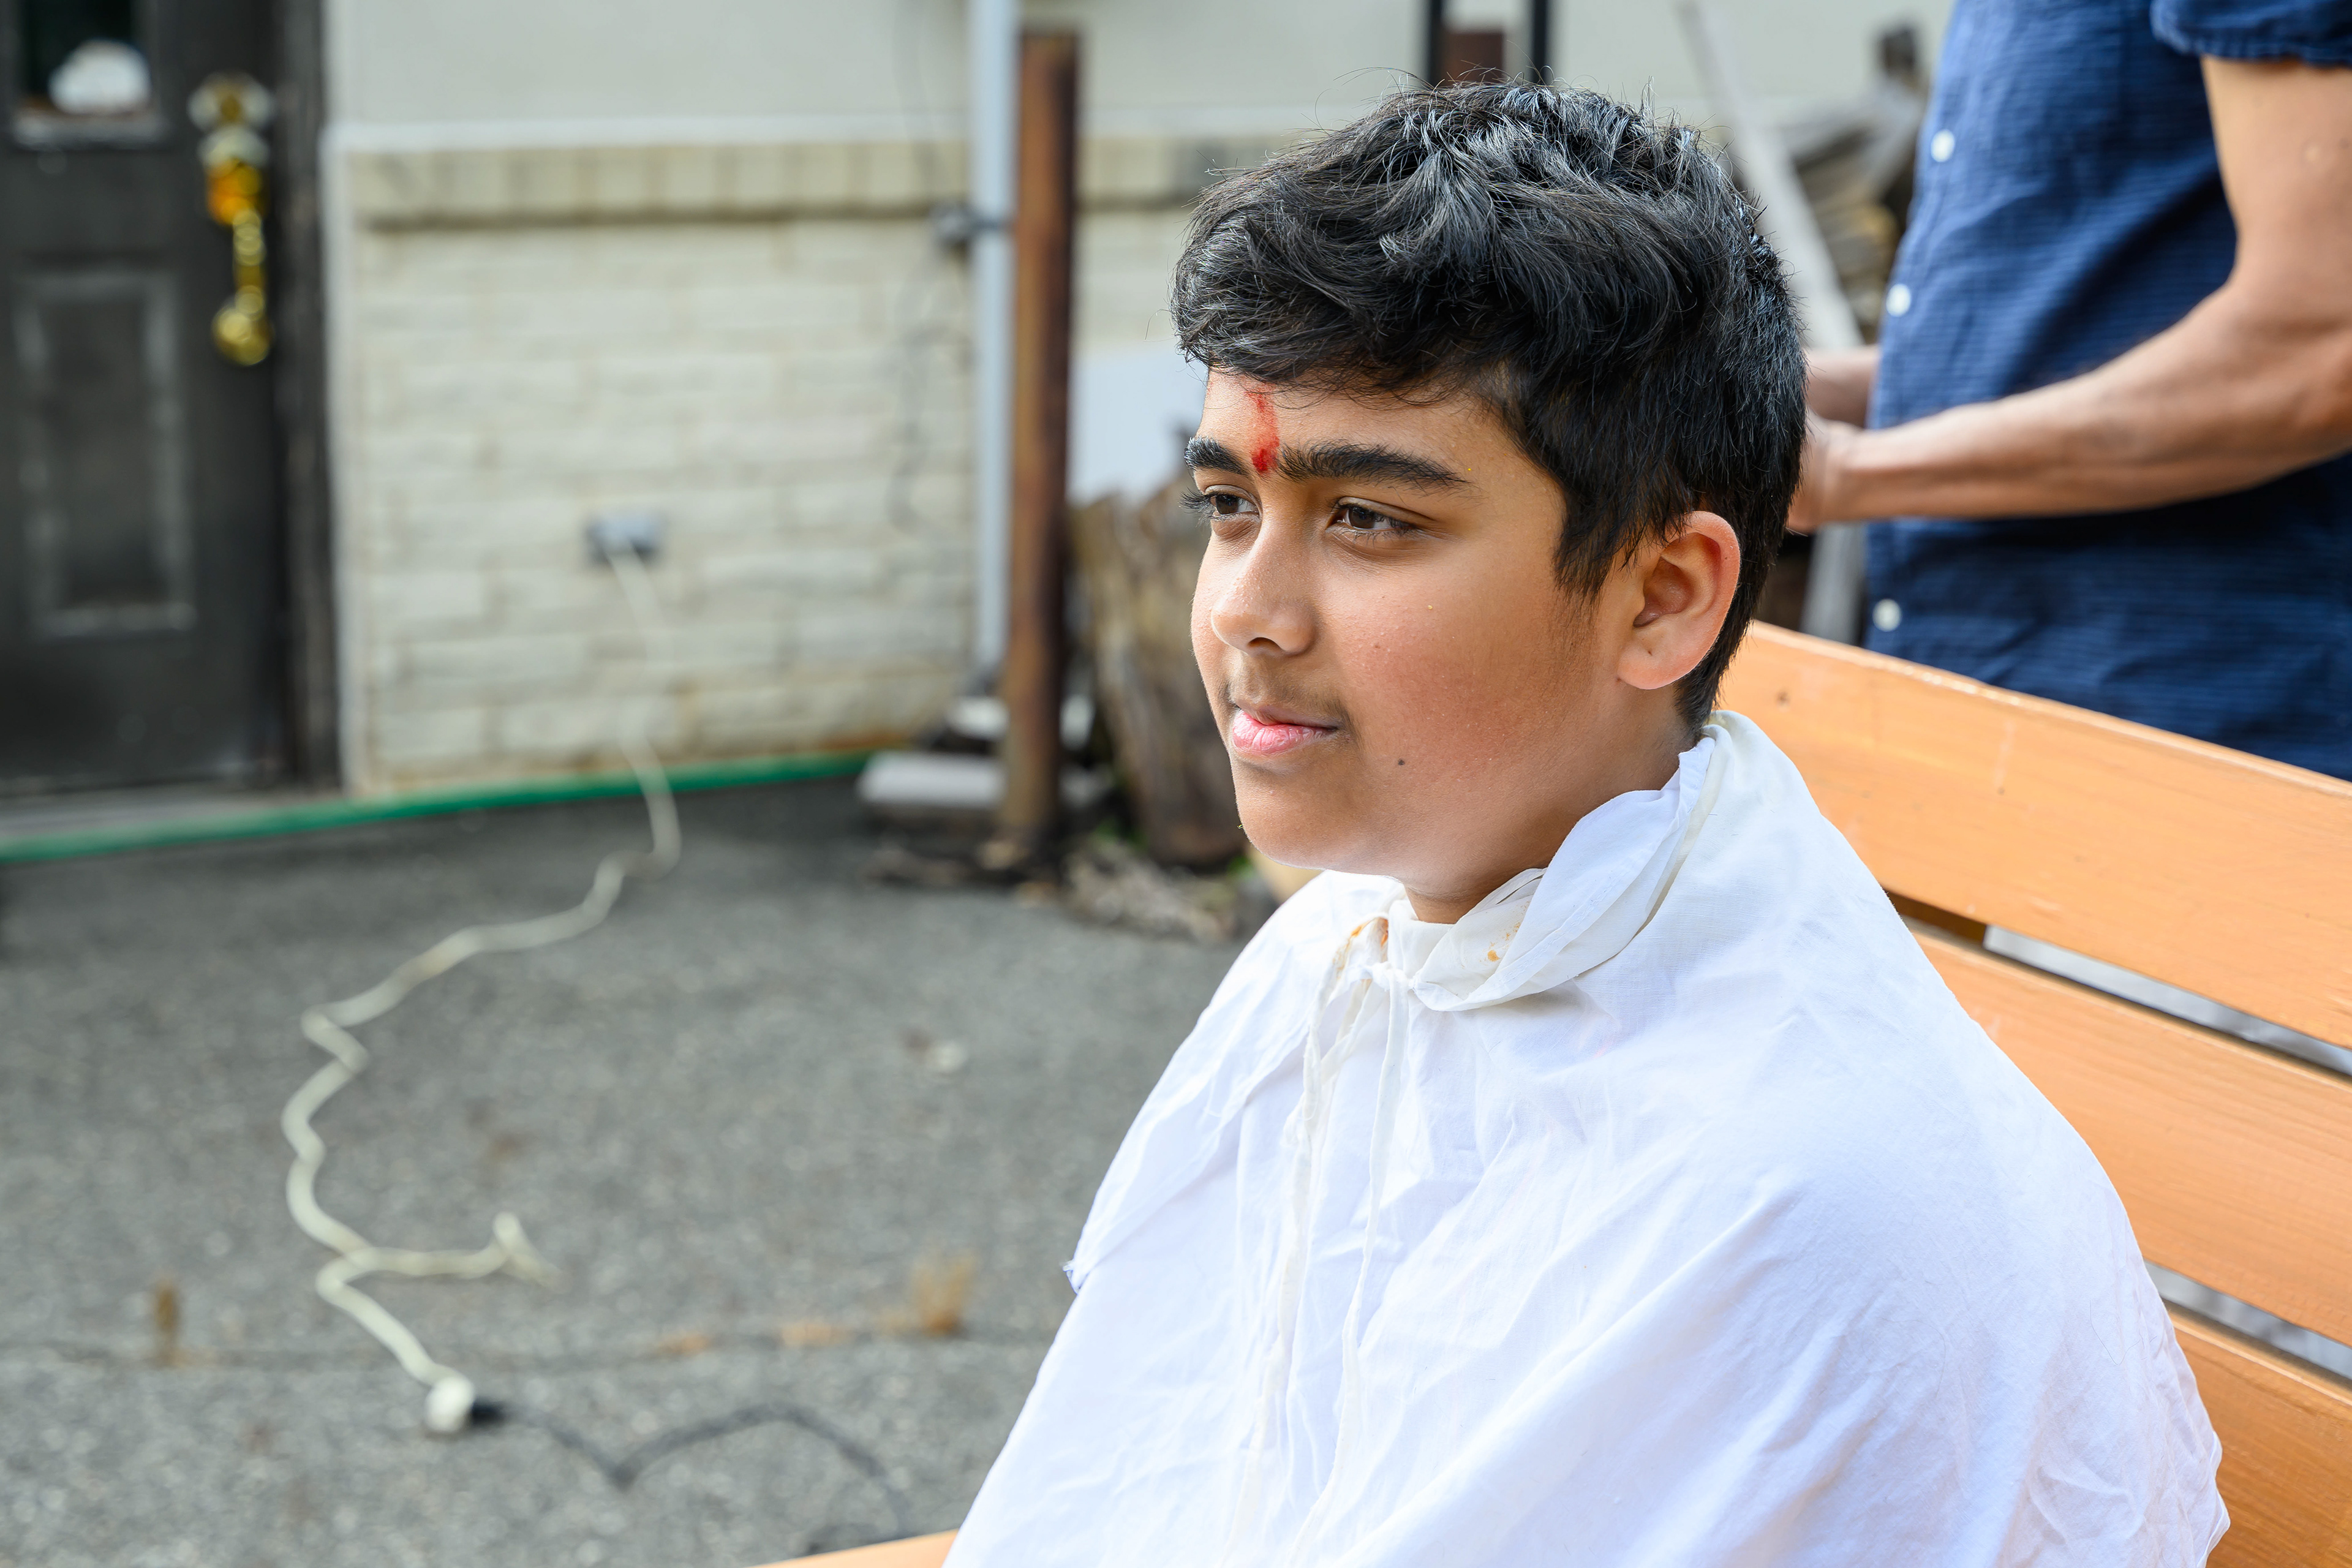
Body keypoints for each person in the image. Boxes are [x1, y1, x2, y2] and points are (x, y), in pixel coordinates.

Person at [946, 86, 2224, 1566]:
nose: (1244, 609)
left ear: (1662, 596)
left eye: (1369, 518)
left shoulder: (1792, 1198)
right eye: (1227, 506)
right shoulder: (1364, 938)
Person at [1792, 0, 2352, 780]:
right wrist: (1784, 390)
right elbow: (2062, 340)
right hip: (1989, 704)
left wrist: (1845, 473)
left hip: (2197, 732)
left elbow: (2321, 347)